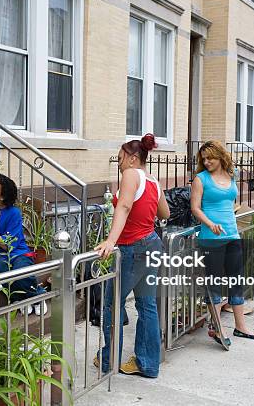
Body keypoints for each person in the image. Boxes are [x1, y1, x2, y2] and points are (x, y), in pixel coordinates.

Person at [94, 134, 170, 378]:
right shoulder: (154, 182)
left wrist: (110, 241)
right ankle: (147, 364)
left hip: (132, 248)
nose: (118, 163)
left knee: (111, 303)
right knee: (147, 304)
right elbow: (165, 212)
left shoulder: (130, 175)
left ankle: (109, 359)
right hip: (152, 244)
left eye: (120, 158)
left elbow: (125, 206)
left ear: (133, 157)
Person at [190, 140, 254, 344]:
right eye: (203, 159)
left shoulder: (231, 176)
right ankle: (217, 328)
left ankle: (241, 327)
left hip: (232, 235)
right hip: (211, 238)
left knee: (236, 281)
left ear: (220, 156)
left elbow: (230, 203)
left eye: (210, 158)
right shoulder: (201, 179)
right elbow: (195, 208)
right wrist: (211, 223)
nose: (206, 162)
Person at [0, 173, 46, 315]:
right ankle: (19, 298)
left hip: (18, 253)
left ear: (2, 197)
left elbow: (8, 245)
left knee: (21, 270)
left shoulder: (14, 213)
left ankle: (37, 296)